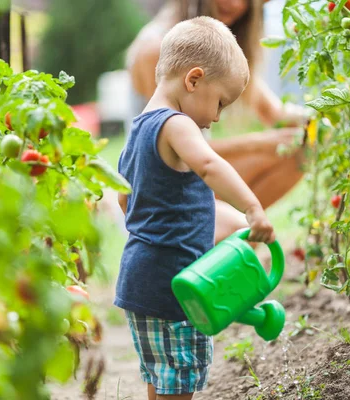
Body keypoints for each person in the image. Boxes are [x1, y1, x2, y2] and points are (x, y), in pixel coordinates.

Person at [115, 16, 276, 399]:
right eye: (220, 102)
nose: (217, 116)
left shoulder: (139, 129)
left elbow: (125, 198)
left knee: (160, 378)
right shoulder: (177, 125)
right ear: (193, 79)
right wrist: (253, 208)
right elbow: (210, 165)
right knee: (181, 384)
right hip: (175, 290)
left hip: (141, 283)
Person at [126, 0, 308, 244]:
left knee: (298, 151)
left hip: (182, 184)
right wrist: (259, 144)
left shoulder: (212, 51)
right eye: (219, 104)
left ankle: (224, 237)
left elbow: (275, 113)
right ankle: (218, 241)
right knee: (238, 227)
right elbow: (194, 157)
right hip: (165, 197)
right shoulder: (156, 49)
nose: (234, 4)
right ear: (193, 79)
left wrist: (327, 113)